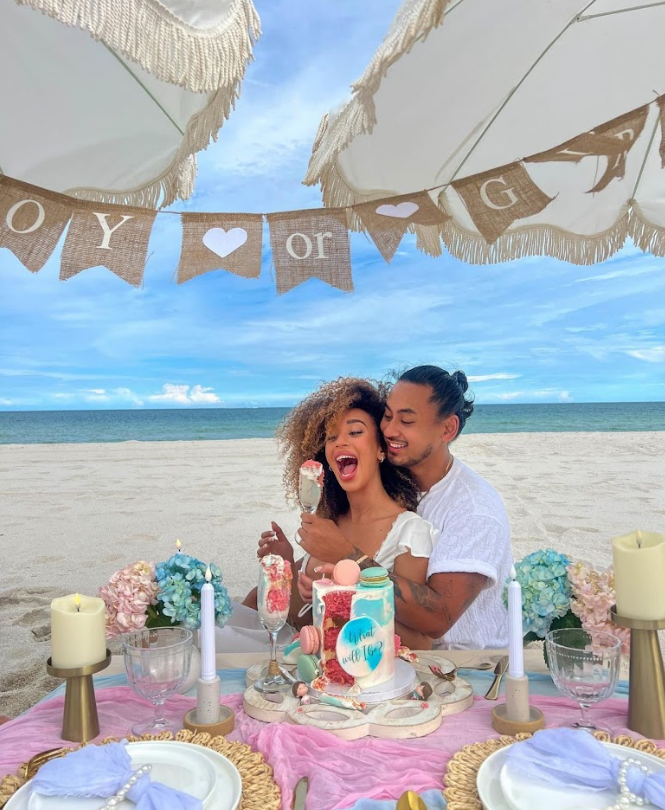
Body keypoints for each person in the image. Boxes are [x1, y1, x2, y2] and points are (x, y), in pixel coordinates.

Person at [298, 365, 512, 650]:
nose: (389, 430)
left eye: (407, 421)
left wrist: (348, 559)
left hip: (466, 663)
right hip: (382, 652)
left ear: (447, 428)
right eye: (387, 416)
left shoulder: (473, 508)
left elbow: (439, 617)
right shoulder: (394, 483)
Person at [221, 377, 439, 652]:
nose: (340, 443)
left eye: (355, 432)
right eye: (331, 437)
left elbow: (420, 642)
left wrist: (344, 591)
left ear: (380, 449)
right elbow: (302, 622)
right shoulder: (329, 525)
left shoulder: (409, 532)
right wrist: (286, 566)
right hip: (300, 657)